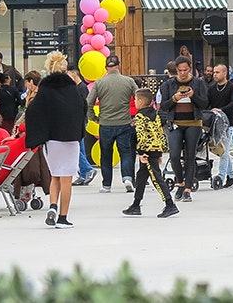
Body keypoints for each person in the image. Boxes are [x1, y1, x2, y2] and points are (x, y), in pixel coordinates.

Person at [25, 51, 86, 229]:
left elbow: (33, 111)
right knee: (67, 178)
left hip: (51, 140)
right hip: (68, 139)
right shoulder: (72, 90)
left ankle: (52, 205)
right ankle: (62, 217)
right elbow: (82, 108)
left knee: (55, 176)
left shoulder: (44, 89)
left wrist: (38, 135)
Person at [158, 55, 208, 203]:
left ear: (190, 69)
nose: (183, 73)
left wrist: (193, 96)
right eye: (180, 70)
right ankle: (179, 182)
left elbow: (204, 104)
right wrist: (175, 98)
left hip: (193, 122)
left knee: (190, 156)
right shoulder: (168, 84)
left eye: (185, 70)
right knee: (174, 155)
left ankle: (187, 188)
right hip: (175, 123)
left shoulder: (198, 83)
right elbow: (164, 106)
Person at [122, 89, 179, 218]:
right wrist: (160, 151)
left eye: (136, 100)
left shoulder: (140, 117)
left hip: (147, 152)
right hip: (155, 150)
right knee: (141, 177)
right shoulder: (156, 115)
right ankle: (136, 205)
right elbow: (160, 133)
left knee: (156, 178)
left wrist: (141, 152)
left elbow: (141, 135)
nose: (135, 102)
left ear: (141, 101)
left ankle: (170, 204)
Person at [87, 54, 139, 193]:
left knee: (106, 154)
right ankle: (127, 177)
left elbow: (88, 103)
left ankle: (106, 185)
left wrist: (94, 118)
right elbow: (140, 98)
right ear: (119, 66)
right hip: (125, 122)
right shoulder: (128, 81)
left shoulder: (99, 83)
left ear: (106, 67)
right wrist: (137, 117)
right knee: (126, 152)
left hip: (105, 124)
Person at [207, 64, 233, 188]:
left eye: (217, 72)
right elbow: (207, 104)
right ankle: (231, 176)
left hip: (228, 124)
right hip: (214, 124)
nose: (214, 74)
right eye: (214, 72)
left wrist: (221, 110)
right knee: (221, 151)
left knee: (224, 151)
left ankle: (220, 176)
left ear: (224, 73)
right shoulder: (211, 89)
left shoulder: (232, 87)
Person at [66, 65, 97, 187]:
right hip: (79, 120)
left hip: (79, 120)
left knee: (75, 147)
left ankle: (87, 169)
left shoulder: (82, 88)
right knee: (80, 147)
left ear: (74, 73)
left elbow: (83, 105)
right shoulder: (77, 87)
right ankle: (83, 174)